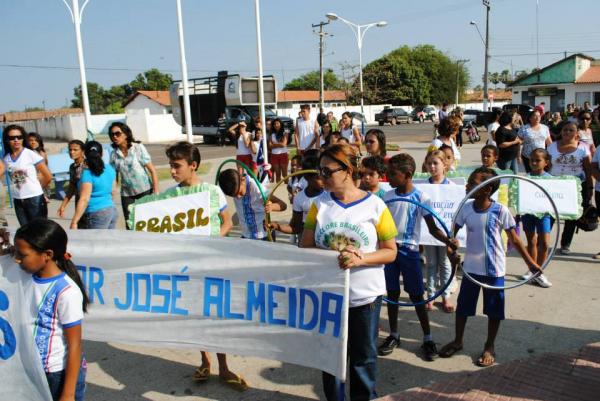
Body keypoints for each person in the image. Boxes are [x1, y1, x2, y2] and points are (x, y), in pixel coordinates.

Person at [301, 144, 398, 401]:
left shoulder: (376, 206)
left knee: (363, 359)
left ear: (347, 170)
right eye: (319, 170)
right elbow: (305, 246)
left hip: (364, 299)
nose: (321, 177)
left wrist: (361, 258)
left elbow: (390, 252)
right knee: (331, 360)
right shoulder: (317, 205)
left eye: (327, 171)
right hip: (329, 297)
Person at [163, 142, 247, 390]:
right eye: (170, 166)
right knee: (196, 316)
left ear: (193, 165)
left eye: (177, 166)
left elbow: (226, 223)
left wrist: (211, 243)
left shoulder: (212, 192)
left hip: (211, 264)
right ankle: (204, 362)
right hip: (187, 268)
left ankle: (223, 367)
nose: (173, 171)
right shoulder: (171, 195)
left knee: (215, 315)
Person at [439, 167, 542, 367]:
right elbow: (453, 235)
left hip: (494, 270)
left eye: (472, 182)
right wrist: (451, 249)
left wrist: (531, 263)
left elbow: (515, 240)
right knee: (463, 308)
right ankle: (458, 340)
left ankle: (489, 345)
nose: (467, 185)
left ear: (487, 189)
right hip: (471, 268)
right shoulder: (465, 208)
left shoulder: (500, 210)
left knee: (494, 310)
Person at [379, 154, 458, 361]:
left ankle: (428, 337)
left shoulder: (421, 198)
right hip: (389, 251)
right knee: (393, 293)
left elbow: (433, 228)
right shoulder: (387, 196)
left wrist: (449, 240)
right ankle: (394, 334)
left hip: (410, 251)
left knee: (416, 297)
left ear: (407, 176)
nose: (388, 177)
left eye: (392, 174)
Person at [14, 219, 88, 401]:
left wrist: (68, 394)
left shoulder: (66, 291)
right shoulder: (25, 276)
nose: (16, 259)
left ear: (47, 254)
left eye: (22, 255)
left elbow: (75, 345)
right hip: (30, 369)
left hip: (55, 375)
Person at [547, 122, 592, 254]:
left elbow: (588, 170)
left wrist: (590, 188)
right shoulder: (552, 146)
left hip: (576, 187)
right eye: (565, 130)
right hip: (554, 185)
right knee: (550, 213)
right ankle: (544, 241)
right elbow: (546, 166)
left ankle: (565, 244)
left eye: (571, 130)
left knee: (571, 216)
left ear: (577, 133)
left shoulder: (583, 147)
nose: (567, 132)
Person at [422, 150, 455, 313]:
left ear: (444, 165)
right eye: (429, 163)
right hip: (428, 233)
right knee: (431, 263)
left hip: (445, 234)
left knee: (445, 263)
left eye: (436, 163)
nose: (432, 166)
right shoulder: (422, 187)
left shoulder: (452, 187)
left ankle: (446, 295)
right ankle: (431, 294)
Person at [109, 122, 159, 227]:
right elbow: (115, 177)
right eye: (112, 134)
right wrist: (112, 194)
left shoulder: (138, 148)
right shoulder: (114, 154)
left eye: (117, 133)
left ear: (126, 134)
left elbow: (152, 170)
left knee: (148, 221)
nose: (114, 136)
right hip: (126, 194)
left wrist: (156, 190)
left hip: (144, 190)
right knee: (130, 223)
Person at [2, 124, 52, 225]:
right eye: (12, 138)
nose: (16, 140)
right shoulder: (6, 158)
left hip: (34, 198)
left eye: (19, 137)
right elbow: (16, 179)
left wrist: (38, 189)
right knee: (25, 231)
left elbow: (47, 176)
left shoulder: (30, 154)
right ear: (7, 140)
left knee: (39, 230)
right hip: (18, 199)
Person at [218, 169, 286, 240]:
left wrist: (272, 207)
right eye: (234, 196)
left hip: (263, 235)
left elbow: (283, 205)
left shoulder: (257, 189)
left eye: (240, 192)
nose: (238, 197)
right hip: (246, 236)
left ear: (242, 180)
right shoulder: (233, 186)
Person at [270, 151, 323, 242]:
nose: (324, 180)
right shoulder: (299, 199)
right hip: (306, 241)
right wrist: (278, 227)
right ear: (307, 177)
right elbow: (296, 228)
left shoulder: (331, 194)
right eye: (319, 178)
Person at [520, 148, 553, 288]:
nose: (534, 162)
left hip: (544, 214)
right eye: (532, 159)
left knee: (544, 243)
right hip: (528, 213)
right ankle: (532, 269)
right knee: (531, 241)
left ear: (546, 162)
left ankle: (540, 271)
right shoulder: (524, 177)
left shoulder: (551, 179)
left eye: (538, 160)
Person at [70, 141, 118, 230]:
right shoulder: (109, 168)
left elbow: (84, 199)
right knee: (108, 242)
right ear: (102, 153)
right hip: (111, 210)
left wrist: (74, 222)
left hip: (95, 213)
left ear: (85, 154)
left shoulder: (87, 174)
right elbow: (113, 191)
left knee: (94, 243)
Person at [58, 140, 85, 223]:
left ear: (83, 151)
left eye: (75, 150)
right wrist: (63, 205)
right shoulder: (72, 167)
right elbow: (72, 187)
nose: (72, 152)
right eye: (70, 150)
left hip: (88, 200)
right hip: (78, 199)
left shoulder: (88, 166)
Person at [518, 109, 552, 173]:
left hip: (541, 157)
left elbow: (549, 142)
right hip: (528, 157)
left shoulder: (545, 128)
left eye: (539, 116)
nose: (537, 118)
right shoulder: (524, 128)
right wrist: (518, 156)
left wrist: (552, 154)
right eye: (535, 116)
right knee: (530, 174)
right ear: (530, 118)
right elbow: (518, 143)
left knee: (541, 173)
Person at [268, 118, 289, 183]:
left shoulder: (285, 132)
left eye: (277, 123)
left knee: (284, 173)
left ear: (280, 124)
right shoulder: (272, 134)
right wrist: (278, 144)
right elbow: (270, 146)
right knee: (277, 173)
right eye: (274, 124)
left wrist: (274, 145)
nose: (276, 125)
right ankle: (278, 189)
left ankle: (287, 187)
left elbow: (284, 144)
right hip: (274, 155)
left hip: (283, 154)